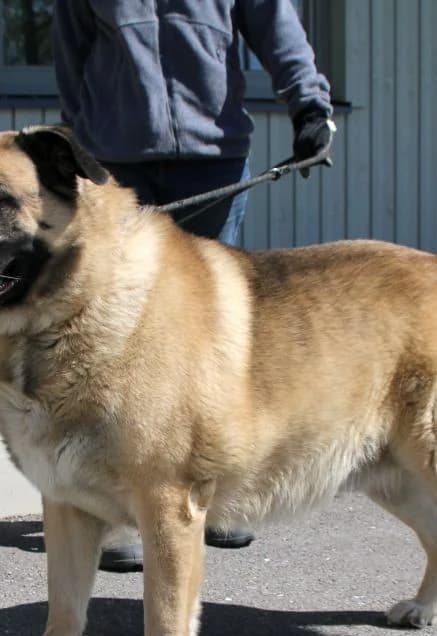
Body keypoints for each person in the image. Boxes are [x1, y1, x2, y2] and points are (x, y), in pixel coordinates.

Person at [53, 0, 335, 571]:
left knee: (212, 337)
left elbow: (276, 27)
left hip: (214, 158)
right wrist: (81, 143)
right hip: (116, 162)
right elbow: (71, 53)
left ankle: (221, 494)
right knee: (119, 339)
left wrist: (309, 105)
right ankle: (117, 514)